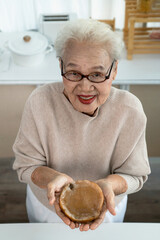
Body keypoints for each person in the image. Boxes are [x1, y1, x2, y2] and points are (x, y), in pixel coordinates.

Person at [13, 19, 151, 231]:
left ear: (114, 70)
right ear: (60, 66)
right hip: (47, 209)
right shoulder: (39, 102)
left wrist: (109, 185)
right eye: (74, 73)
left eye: (97, 74)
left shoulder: (129, 110)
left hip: (107, 209)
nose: (85, 87)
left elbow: (134, 175)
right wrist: (54, 179)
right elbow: (26, 166)